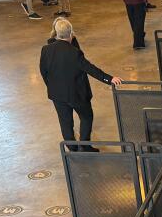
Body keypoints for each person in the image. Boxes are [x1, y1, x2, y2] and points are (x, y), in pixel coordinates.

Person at [38, 17, 122, 145]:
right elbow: (91, 69)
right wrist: (109, 79)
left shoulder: (46, 49)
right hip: (77, 94)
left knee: (65, 122)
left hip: (57, 95)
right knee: (86, 117)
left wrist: (52, 86)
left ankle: (72, 149)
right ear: (71, 33)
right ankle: (85, 146)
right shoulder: (74, 53)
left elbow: (43, 72)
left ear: (56, 33)